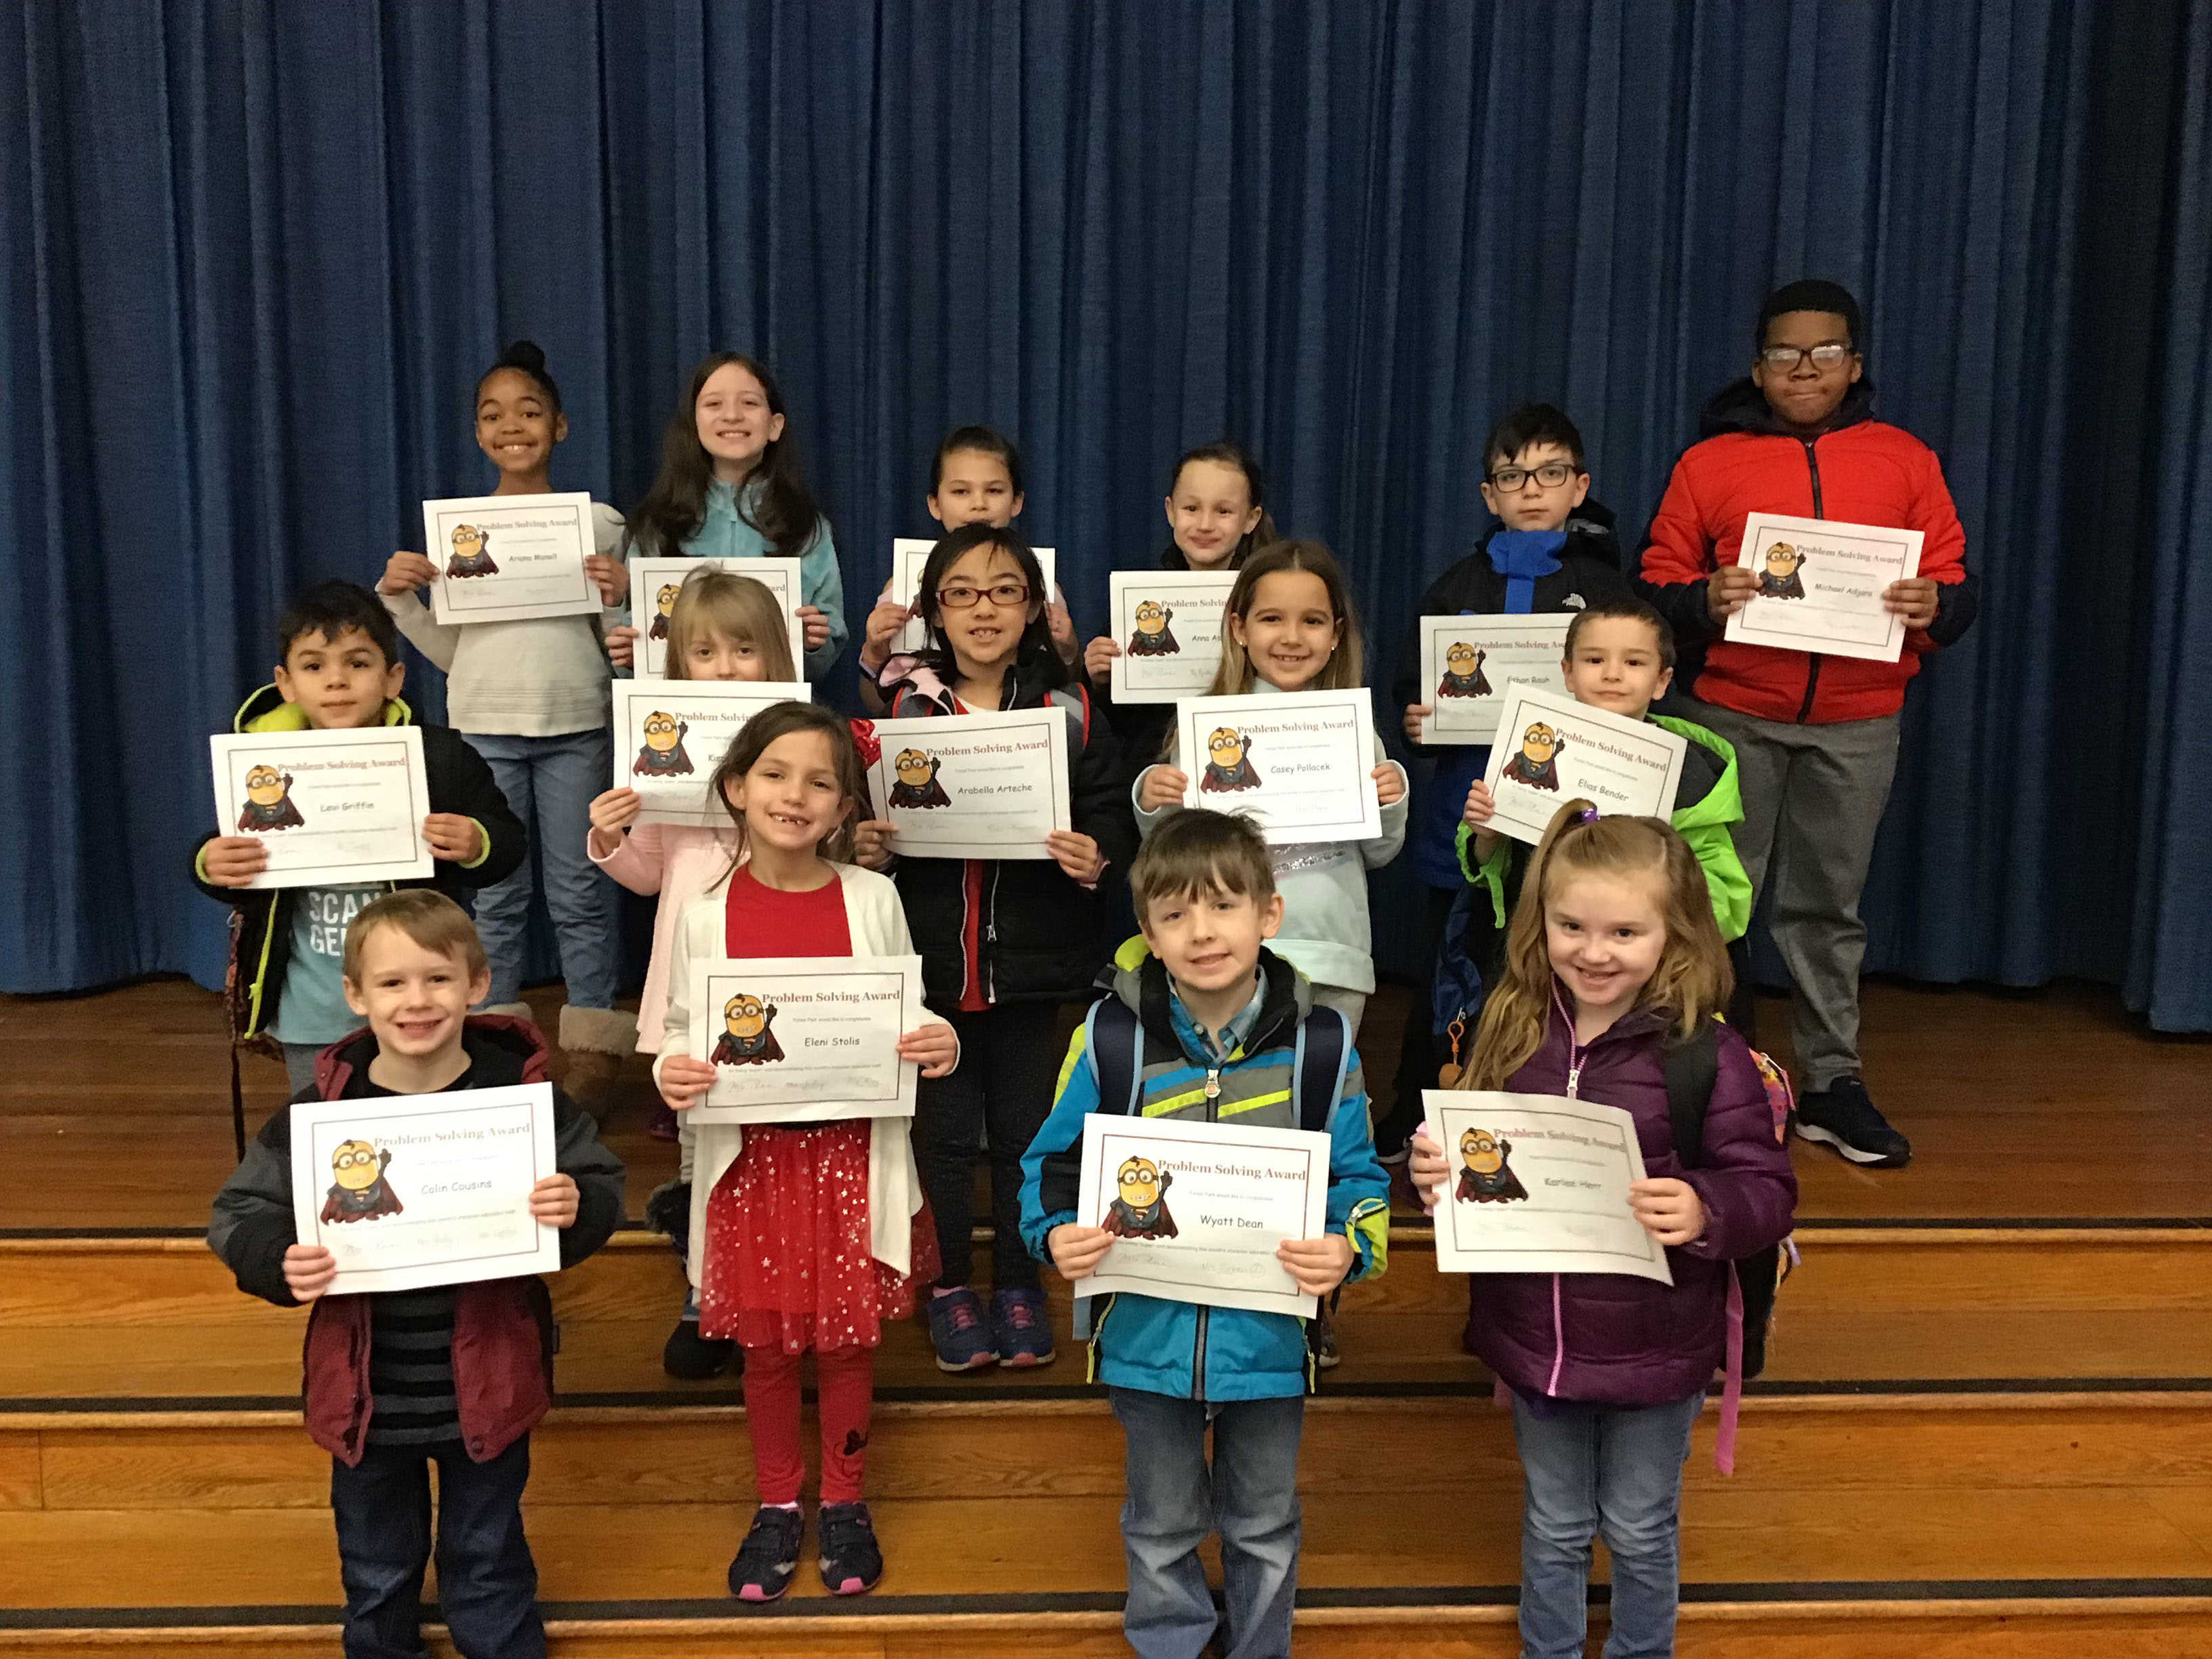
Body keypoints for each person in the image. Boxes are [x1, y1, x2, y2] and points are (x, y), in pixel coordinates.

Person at [1408, 802, 1795, 1659]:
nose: (1593, 950)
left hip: (1659, 1346)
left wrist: (1704, 1210)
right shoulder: (1509, 1029)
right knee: (1552, 1522)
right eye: (1570, 925)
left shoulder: (1707, 1054)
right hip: (1534, 1339)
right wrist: (1433, 1175)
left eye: (1625, 931)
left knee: (1641, 1524)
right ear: (1539, 921)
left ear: (1677, 934)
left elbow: (1767, 1191)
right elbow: (1471, 1163)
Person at [208, 890, 625, 1659]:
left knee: (490, 1556)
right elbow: (240, 1210)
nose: (417, 1000)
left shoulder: (529, 1105)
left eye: (437, 979)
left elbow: (601, 1186)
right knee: (375, 1566)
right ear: (355, 996)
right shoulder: (315, 1116)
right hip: (367, 1396)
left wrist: (578, 1206)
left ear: (476, 985)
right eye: (393, 983)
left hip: (489, 1387)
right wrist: (277, 1256)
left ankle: (500, 1647)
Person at [1020, 808, 1389, 1659]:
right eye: (1175, 914)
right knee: (1161, 1523)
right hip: (1144, 1337)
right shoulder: (1107, 1037)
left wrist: (1350, 1249)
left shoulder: (1323, 1043)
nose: (1202, 931)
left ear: (1269, 915)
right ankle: (1170, 1645)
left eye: (1223, 907)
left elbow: (1361, 1180)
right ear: (1146, 932)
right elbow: (1053, 1167)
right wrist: (1055, 1235)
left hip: (1269, 1339)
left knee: (1263, 1524)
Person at [1636, 279, 1976, 1168]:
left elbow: (1957, 584)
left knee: (1827, 912)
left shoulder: (1905, 460)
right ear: (1759, 367)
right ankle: (1697, 1075)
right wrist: (1704, 599)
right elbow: (1656, 580)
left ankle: (1831, 1085)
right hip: (1728, 714)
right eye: (1786, 353)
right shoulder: (1709, 463)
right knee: (1706, 904)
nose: (1804, 368)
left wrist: (1931, 602)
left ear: (1854, 364)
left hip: (1858, 722)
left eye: (1825, 352)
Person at [653, 702, 957, 1601]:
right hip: (754, 1168)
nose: (797, 795)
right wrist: (676, 1072)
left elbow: (911, 1013)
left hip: (850, 1160)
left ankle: (846, 1501)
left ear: (843, 807)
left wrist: (937, 1041)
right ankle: (779, 1504)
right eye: (777, 775)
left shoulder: (874, 898)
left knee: (849, 1343)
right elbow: (682, 1029)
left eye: (821, 781)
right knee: (769, 1349)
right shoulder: (705, 910)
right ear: (738, 788)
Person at [588, 569, 892, 1379]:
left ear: (779, 656)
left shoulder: (799, 754)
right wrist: (614, 831)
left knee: (786, 1153)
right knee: (701, 1155)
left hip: (796, 993)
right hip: (693, 992)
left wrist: (863, 847)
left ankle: (789, 1286)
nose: (725, 667)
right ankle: (706, 1292)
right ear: (678, 663)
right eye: (704, 651)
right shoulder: (661, 755)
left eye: (745, 649)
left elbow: (834, 867)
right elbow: (648, 877)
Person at [869, 523, 1136, 1372]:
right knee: (943, 1139)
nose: (984, 609)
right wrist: (868, 846)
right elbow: (868, 827)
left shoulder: (1072, 710)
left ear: (1034, 608)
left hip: (1036, 967)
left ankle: (1020, 1283)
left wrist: (1098, 860)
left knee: (1027, 1133)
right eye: (961, 593)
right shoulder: (903, 712)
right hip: (934, 970)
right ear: (933, 613)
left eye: (1004, 591)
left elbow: (1115, 828)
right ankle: (950, 1284)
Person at [375, 343, 635, 1091]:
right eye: (493, 415)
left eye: (529, 411)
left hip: (575, 725)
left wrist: (619, 595)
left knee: (580, 892)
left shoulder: (603, 526)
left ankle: (593, 1055)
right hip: (485, 725)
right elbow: (453, 654)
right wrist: (399, 600)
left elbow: (622, 648)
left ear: (560, 426)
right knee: (496, 894)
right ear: (478, 434)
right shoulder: (459, 534)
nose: (511, 426)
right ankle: (500, 1047)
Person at [1378, 405, 1631, 1160]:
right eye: (1512, 476)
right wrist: (1417, 724)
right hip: (1466, 816)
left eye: (1550, 473)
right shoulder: (1455, 586)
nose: (1531, 490)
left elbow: (1632, 695)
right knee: (1448, 970)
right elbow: (1409, 691)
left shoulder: (1607, 588)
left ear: (1578, 487)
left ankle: (1543, 1118)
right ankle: (1421, 1107)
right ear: (1490, 495)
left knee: (1552, 969)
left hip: (1570, 823)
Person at [192, 581, 527, 1097]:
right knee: (328, 1132)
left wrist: (476, 841)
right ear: (285, 683)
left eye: (358, 663)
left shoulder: (439, 757)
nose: (336, 682)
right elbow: (234, 859)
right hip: (311, 1004)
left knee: (425, 1116)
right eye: (314, 666)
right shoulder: (261, 762)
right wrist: (209, 863)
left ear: (393, 678)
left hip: (418, 998)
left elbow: (507, 842)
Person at [1132, 540, 1406, 1044]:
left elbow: (1380, 853)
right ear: (1239, 628)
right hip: (1225, 954)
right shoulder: (1205, 727)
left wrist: (1390, 803)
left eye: (1313, 621)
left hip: (1333, 956)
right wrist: (1152, 802)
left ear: (1335, 635)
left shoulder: (1355, 732)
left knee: (1322, 1097)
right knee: (1240, 1104)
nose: (1292, 638)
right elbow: (1174, 852)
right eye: (1272, 619)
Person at [1456, 596, 1754, 1043]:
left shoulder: (1693, 773)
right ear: (1568, 673)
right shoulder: (1526, 748)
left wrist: (1648, 924)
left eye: (1634, 662)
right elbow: (1494, 873)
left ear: (1662, 680)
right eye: (1595, 659)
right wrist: (1485, 835)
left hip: (1647, 979)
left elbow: (1724, 902)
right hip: (1545, 967)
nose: (1612, 674)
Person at [615, 352, 847, 681]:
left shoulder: (806, 526)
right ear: (693, 425)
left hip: (776, 718)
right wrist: (630, 656)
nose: (733, 416)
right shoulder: (658, 524)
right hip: (685, 713)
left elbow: (828, 640)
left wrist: (812, 645)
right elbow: (637, 627)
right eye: (714, 405)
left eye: (750, 404)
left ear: (774, 426)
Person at [1082, 442, 1279, 783]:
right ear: (1171, 511)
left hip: (1247, 774)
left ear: (1251, 519)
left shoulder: (1273, 602)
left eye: (1223, 512)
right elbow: (1114, 727)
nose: (1205, 524)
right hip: (1157, 782)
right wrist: (1099, 681)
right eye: (1191, 508)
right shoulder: (1139, 606)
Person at [855, 425, 1080, 703]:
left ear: (1017, 501)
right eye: (961, 492)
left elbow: (1068, 695)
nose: (978, 504)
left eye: (994, 490)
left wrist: (1068, 652)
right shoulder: (898, 587)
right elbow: (878, 706)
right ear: (935, 504)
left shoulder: (1044, 587)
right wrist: (874, 654)